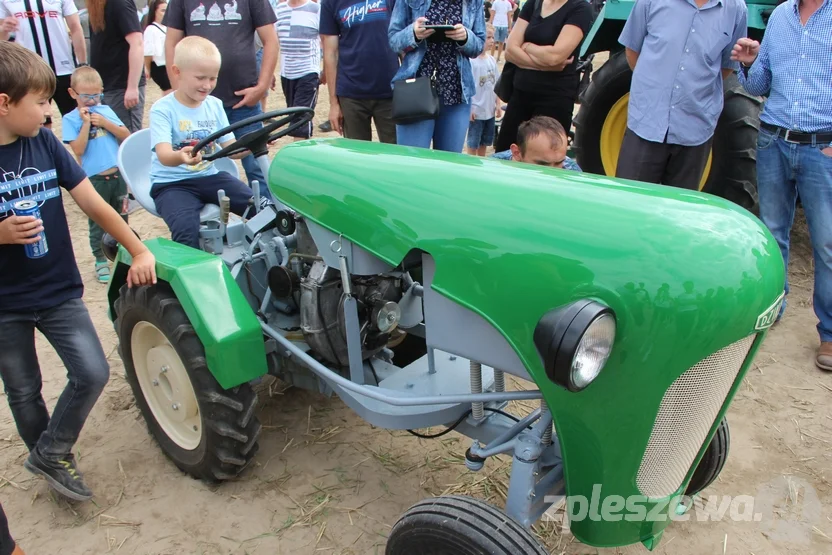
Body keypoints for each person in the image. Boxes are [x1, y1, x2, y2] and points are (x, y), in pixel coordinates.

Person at [0, 41, 156, 502]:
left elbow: (89, 200)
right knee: (24, 388)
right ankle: (54, 463)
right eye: (42, 102)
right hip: (5, 302)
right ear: (4, 104)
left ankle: (51, 450)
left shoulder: (45, 142)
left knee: (91, 371)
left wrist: (139, 248)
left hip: (57, 290)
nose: (50, 112)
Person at [731, 0, 832, 371]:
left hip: (822, 147)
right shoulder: (780, 16)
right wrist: (747, 61)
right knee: (773, 233)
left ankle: (830, 334)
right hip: (773, 140)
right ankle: (774, 306)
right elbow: (762, 84)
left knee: (827, 243)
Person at [614, 0, 747, 189]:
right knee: (630, 205)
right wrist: (655, 89)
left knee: (679, 212)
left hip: (695, 128)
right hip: (647, 123)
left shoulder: (736, 9)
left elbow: (725, 66)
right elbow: (632, 49)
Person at [163, 0, 278, 201]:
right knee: (194, 164)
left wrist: (261, 87)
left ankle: (269, 218)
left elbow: (270, 40)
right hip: (197, 104)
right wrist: (178, 89)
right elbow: (171, 42)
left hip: (243, 100)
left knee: (257, 165)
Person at [150, 37, 257, 249]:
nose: (207, 86)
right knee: (185, 228)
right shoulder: (163, 109)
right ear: (177, 71)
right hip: (172, 184)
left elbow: (230, 149)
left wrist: (253, 144)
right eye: (200, 78)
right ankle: (191, 275)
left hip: (210, 177)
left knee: (260, 206)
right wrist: (180, 156)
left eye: (213, 78)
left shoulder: (215, 105)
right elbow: (163, 154)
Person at [493, 0, 593, 152]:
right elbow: (510, 51)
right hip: (519, 97)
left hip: (554, 101)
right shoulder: (533, 4)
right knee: (507, 156)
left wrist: (527, 47)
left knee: (546, 159)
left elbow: (556, 56)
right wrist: (544, 63)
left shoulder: (580, 8)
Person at [62, 66, 131, 283]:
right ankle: (100, 259)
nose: (92, 101)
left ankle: (122, 254)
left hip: (117, 175)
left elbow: (125, 135)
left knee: (122, 216)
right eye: (86, 96)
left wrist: (105, 123)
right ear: (73, 94)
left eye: (96, 95)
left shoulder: (106, 111)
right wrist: (85, 124)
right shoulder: (70, 119)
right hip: (95, 178)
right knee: (98, 221)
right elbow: (79, 150)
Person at [388, 0, 486, 153]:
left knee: (449, 166)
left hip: (456, 93)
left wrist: (466, 37)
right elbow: (394, 40)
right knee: (413, 163)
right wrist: (413, 33)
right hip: (416, 92)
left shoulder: (473, 2)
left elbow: (479, 44)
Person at [319, 0, 399, 143]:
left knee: (395, 157)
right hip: (351, 95)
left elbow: (401, 36)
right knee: (356, 158)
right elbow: (330, 53)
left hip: (390, 90)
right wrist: (333, 104)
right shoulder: (330, 3)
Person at [0, 0, 87, 127]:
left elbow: (75, 27)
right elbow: (3, 40)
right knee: (39, 122)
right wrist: (4, 29)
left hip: (64, 68)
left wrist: (82, 64)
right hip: (29, 71)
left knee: (76, 120)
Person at [87, 0, 147, 133]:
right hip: (107, 87)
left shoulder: (120, 3)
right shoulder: (97, 6)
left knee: (127, 140)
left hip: (122, 87)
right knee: (111, 139)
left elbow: (137, 43)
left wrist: (132, 87)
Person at [275, 0, 322, 141]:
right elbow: (272, 41)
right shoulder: (279, 9)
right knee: (294, 115)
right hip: (287, 73)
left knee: (301, 118)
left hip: (308, 71)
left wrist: (326, 69)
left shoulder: (316, 9)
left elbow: (326, 39)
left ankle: (299, 158)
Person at [492, 115, 580, 169]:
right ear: (517, 152)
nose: (553, 173)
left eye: (559, 163)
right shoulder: (493, 168)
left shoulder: (571, 170)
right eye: (542, 164)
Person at [467, 24, 501, 156]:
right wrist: (469, 108)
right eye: (488, 37)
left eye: (493, 37)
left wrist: (498, 105)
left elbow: (496, 85)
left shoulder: (492, 60)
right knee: (473, 143)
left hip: (489, 111)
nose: (492, 41)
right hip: (477, 111)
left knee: (485, 142)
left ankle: (481, 164)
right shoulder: (472, 62)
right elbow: (468, 87)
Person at [143, 0, 172, 95]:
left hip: (169, 64)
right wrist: (147, 68)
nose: (166, 13)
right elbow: (148, 51)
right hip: (159, 66)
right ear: (155, 11)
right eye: (163, 10)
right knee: (169, 91)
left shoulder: (167, 28)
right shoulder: (151, 29)